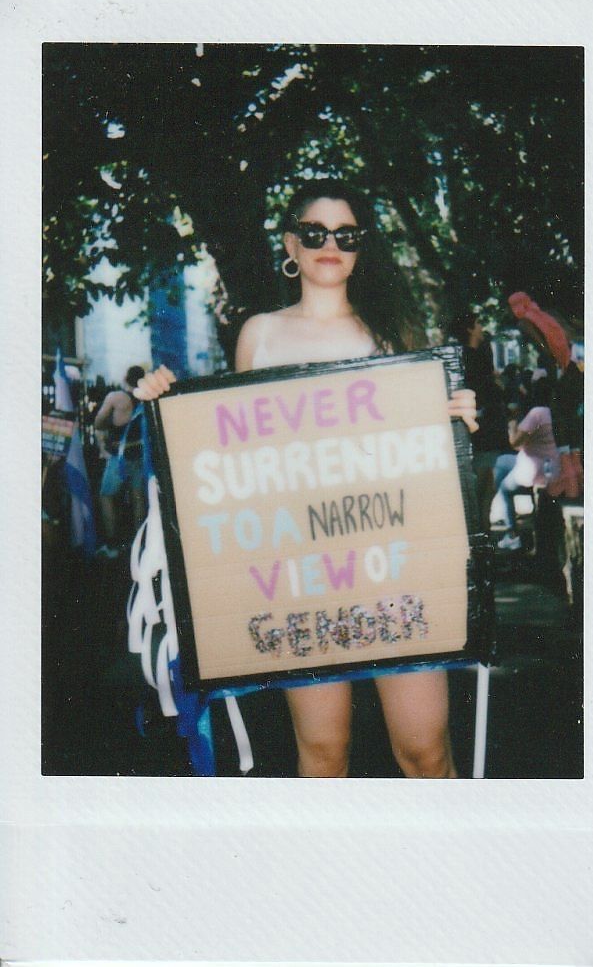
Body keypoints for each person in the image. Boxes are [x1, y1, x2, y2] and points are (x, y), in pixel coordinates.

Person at [136, 179, 477, 778]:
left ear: (361, 247)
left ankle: (452, 868)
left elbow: (421, 454)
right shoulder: (260, 333)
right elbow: (237, 456)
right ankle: (316, 872)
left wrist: (455, 423)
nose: (330, 246)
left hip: (393, 566)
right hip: (302, 574)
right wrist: (170, 407)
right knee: (322, 752)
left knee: (424, 750)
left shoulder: (395, 333)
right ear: (290, 245)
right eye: (314, 233)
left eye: (346, 235)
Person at [447, 310, 508, 533]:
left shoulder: (473, 357)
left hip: (485, 431)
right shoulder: (470, 360)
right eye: (479, 323)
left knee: (485, 489)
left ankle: (484, 534)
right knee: (484, 488)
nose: (482, 327)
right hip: (482, 432)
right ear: (470, 329)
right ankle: (483, 536)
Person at [493, 376, 560, 551]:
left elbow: (515, 442)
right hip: (550, 465)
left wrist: (512, 421)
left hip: (533, 468)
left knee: (503, 488)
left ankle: (512, 534)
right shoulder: (554, 412)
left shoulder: (537, 413)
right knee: (501, 462)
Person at [94, 365, 146, 558]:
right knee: (137, 497)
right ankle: (141, 545)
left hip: (119, 456)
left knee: (106, 496)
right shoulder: (146, 399)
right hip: (139, 453)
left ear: (125, 378)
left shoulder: (116, 398)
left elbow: (98, 422)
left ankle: (112, 545)